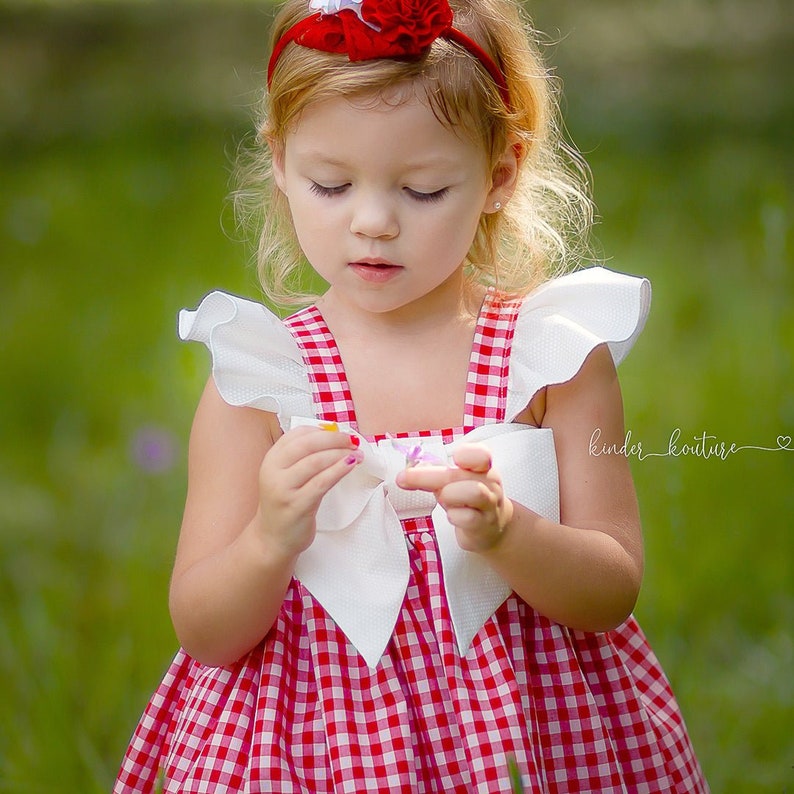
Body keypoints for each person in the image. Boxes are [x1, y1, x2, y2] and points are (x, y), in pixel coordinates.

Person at [114, 0, 709, 791]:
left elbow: (611, 589)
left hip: (525, 745)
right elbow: (205, 630)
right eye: (330, 184)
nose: (372, 223)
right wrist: (269, 537)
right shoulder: (261, 380)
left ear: (498, 176)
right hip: (316, 746)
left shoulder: (553, 361)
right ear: (283, 163)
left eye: (423, 190)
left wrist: (509, 535)